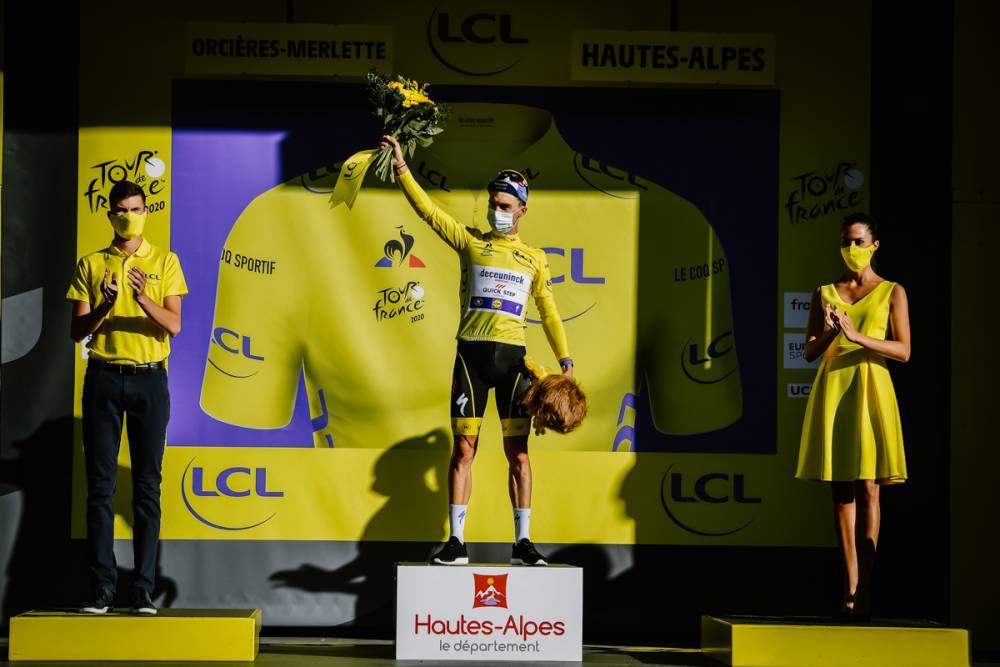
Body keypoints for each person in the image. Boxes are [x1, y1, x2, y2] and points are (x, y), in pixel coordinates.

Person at [380, 134, 574, 566]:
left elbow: (549, 311)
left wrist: (566, 362)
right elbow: (428, 212)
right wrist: (401, 167)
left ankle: (523, 543)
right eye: (492, 204)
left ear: (522, 210)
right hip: (471, 359)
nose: (496, 211)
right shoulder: (470, 242)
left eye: (505, 206)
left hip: (514, 364)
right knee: (464, 451)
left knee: (518, 454)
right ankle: (456, 543)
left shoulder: (534, 259)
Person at [67, 180, 188, 614]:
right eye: (120, 210)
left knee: (147, 487)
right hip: (103, 378)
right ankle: (102, 588)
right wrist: (104, 306)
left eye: (135, 209)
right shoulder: (91, 263)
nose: (128, 217)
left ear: (146, 212)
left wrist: (140, 298)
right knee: (100, 488)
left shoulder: (165, 260)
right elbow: (76, 331)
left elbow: (173, 324)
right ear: (110, 214)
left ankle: (142, 590)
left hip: (149, 380)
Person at [795, 212, 911, 620]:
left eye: (859, 241)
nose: (852, 248)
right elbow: (810, 351)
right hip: (835, 387)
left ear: (874, 245)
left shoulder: (892, 291)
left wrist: (857, 335)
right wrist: (832, 331)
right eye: (847, 241)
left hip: (871, 387)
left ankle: (866, 588)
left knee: (869, 487)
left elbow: (904, 350)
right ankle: (849, 587)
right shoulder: (825, 292)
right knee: (841, 492)